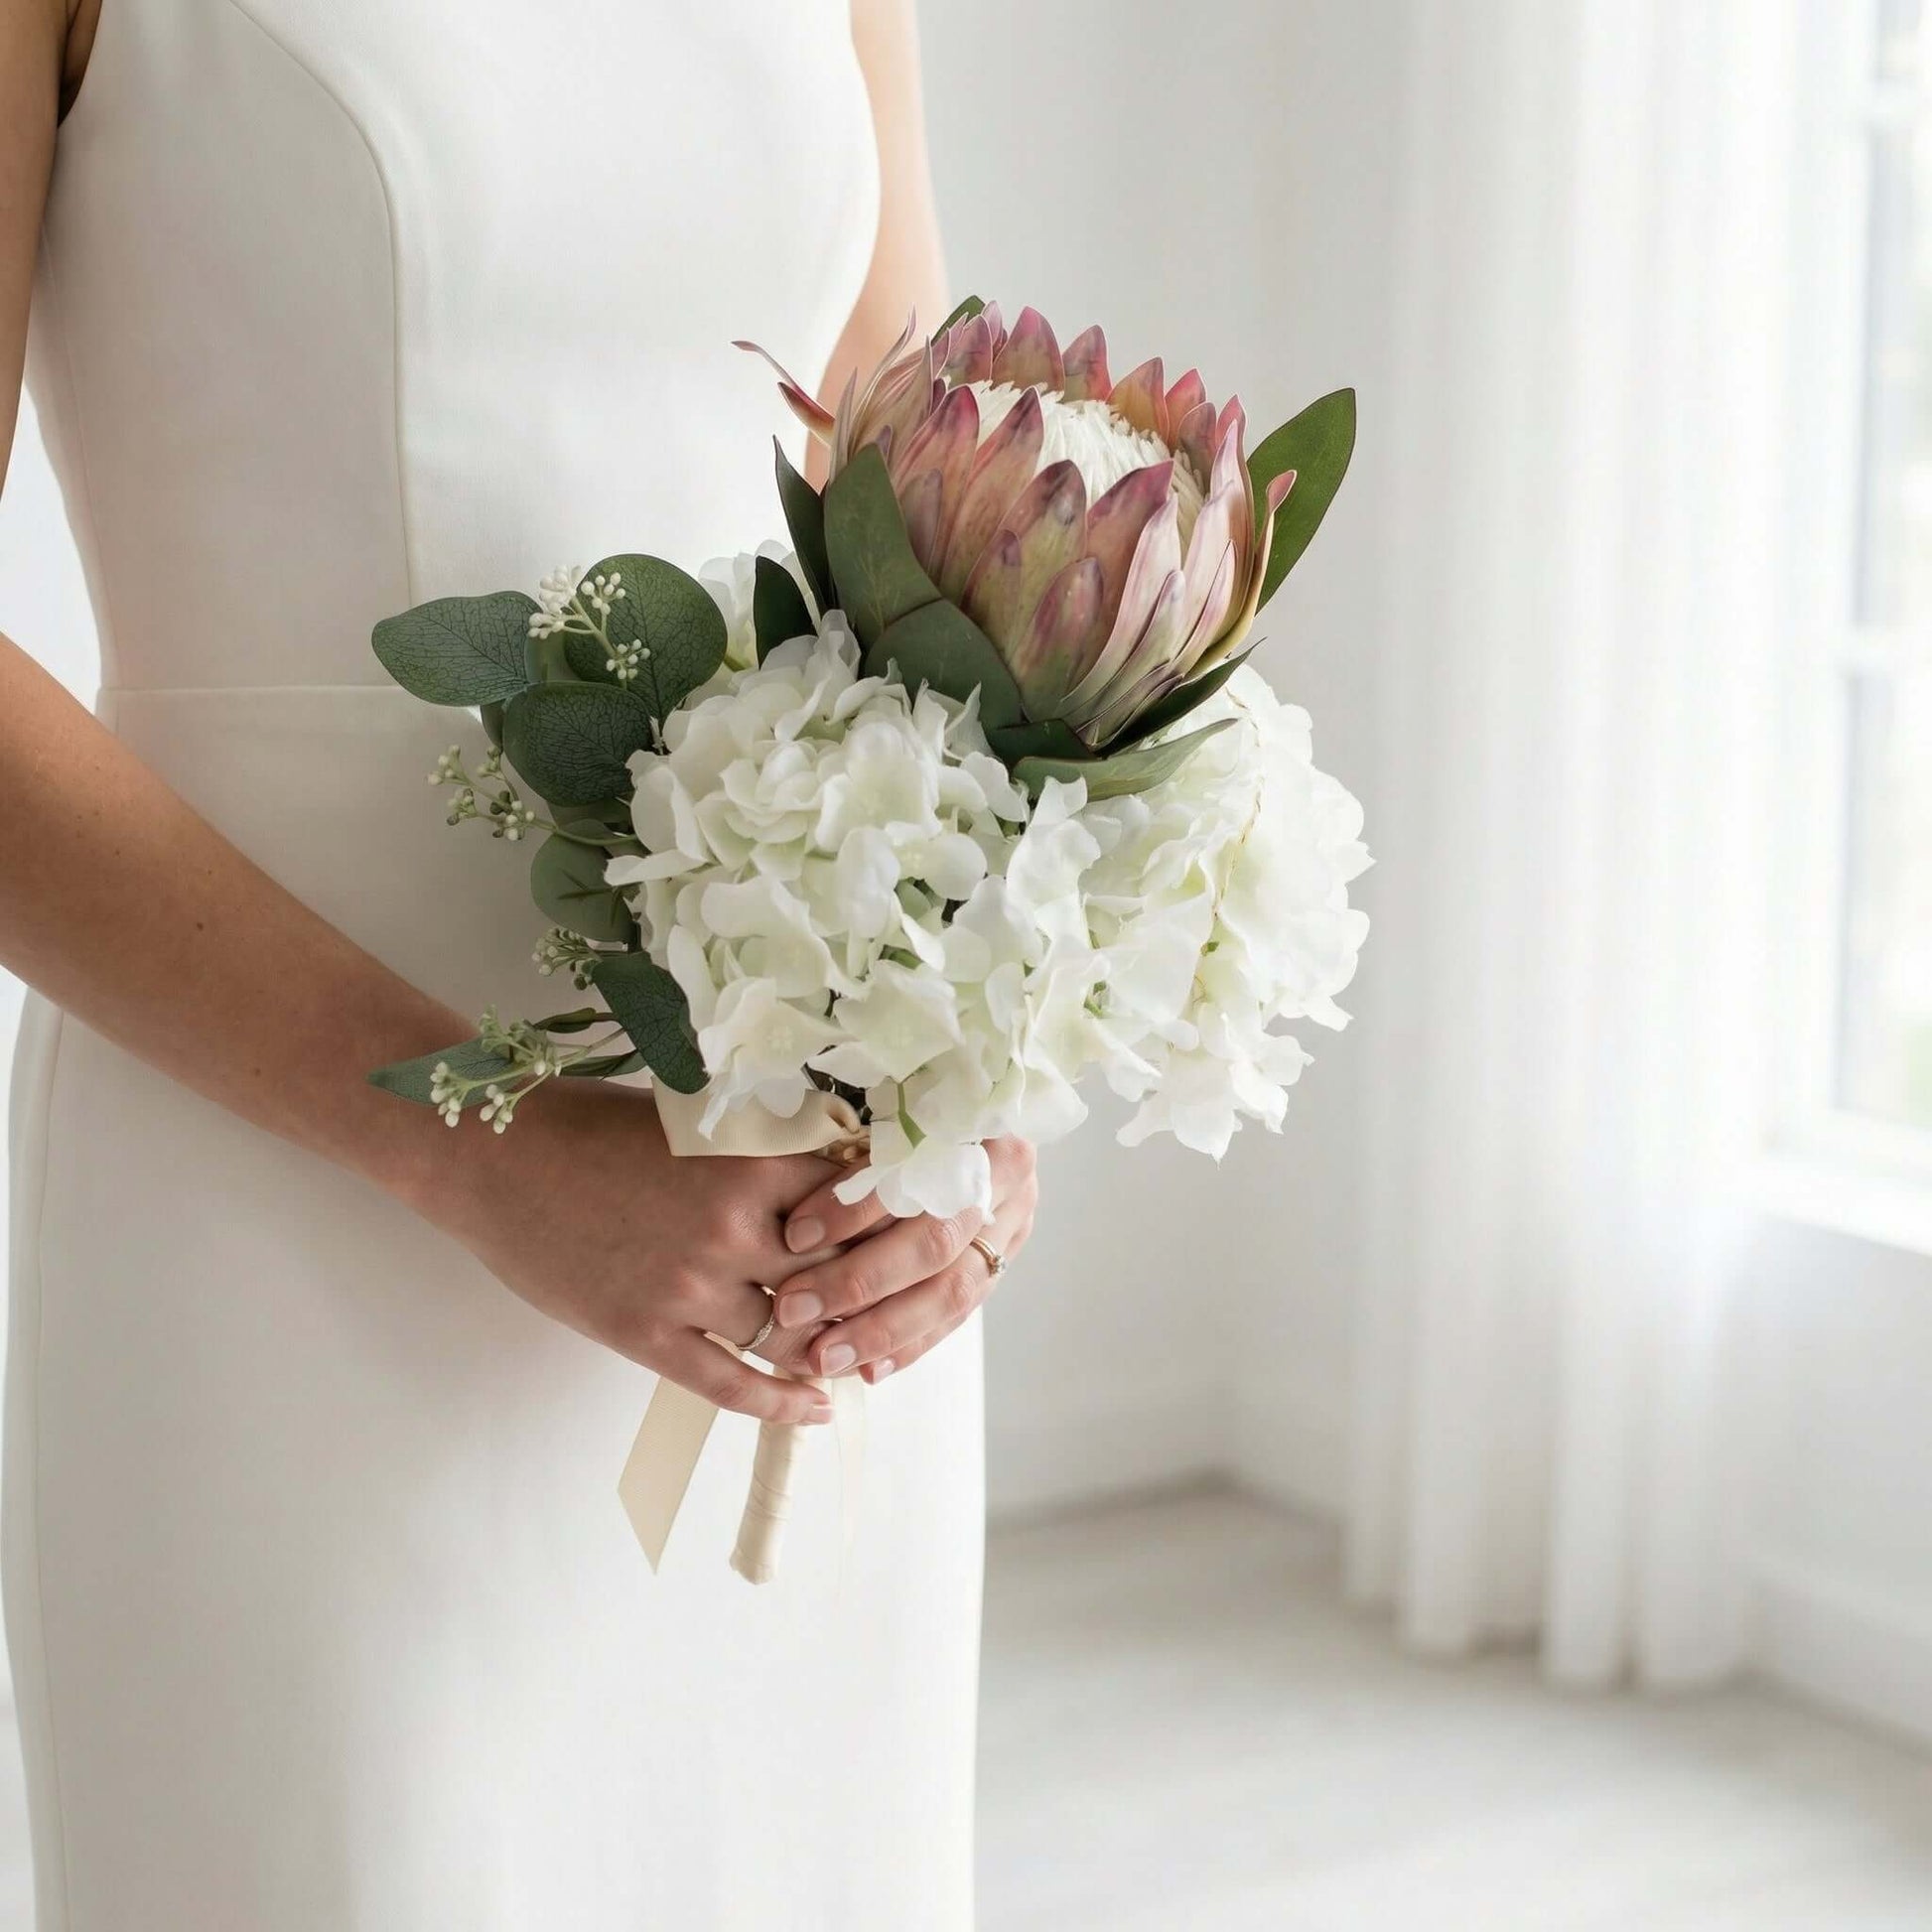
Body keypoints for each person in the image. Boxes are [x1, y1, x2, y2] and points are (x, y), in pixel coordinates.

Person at [0, 2, 1035, 1923]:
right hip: (284, 1218)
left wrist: (975, 1086)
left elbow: (920, 513)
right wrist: (476, 1148)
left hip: (788, 1206)